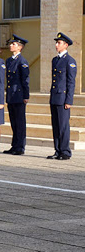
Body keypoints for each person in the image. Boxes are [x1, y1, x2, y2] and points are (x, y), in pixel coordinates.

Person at [48, 32, 77, 160]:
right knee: (55, 125)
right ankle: (58, 150)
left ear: (65, 45)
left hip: (63, 97)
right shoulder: (55, 60)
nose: (56, 45)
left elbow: (71, 82)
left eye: (59, 43)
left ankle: (65, 151)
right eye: (56, 42)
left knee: (63, 126)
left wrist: (69, 100)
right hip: (55, 96)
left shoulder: (69, 61)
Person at [3, 35, 29, 155]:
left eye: (14, 44)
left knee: (20, 122)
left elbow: (25, 80)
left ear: (20, 47)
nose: (11, 46)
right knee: (13, 122)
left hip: (19, 95)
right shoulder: (9, 60)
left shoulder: (22, 61)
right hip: (11, 94)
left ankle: (20, 147)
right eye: (11, 43)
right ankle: (14, 145)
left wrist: (26, 96)